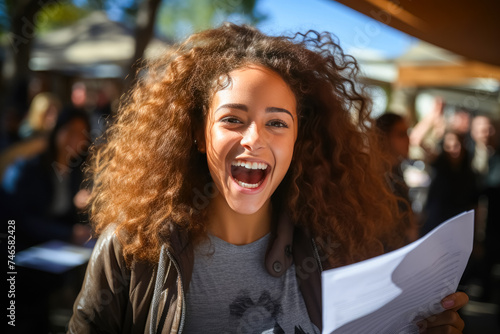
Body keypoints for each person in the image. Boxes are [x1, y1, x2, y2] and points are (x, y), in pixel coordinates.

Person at [68, 23, 467, 333]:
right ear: (196, 133)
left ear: (298, 140)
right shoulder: (129, 251)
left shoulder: (339, 249)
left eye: (277, 122)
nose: (254, 139)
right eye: (232, 120)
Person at [375, 112, 417, 243]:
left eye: (407, 133)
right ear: (384, 138)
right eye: (401, 134)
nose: (408, 140)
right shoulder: (375, 178)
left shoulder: (396, 170)